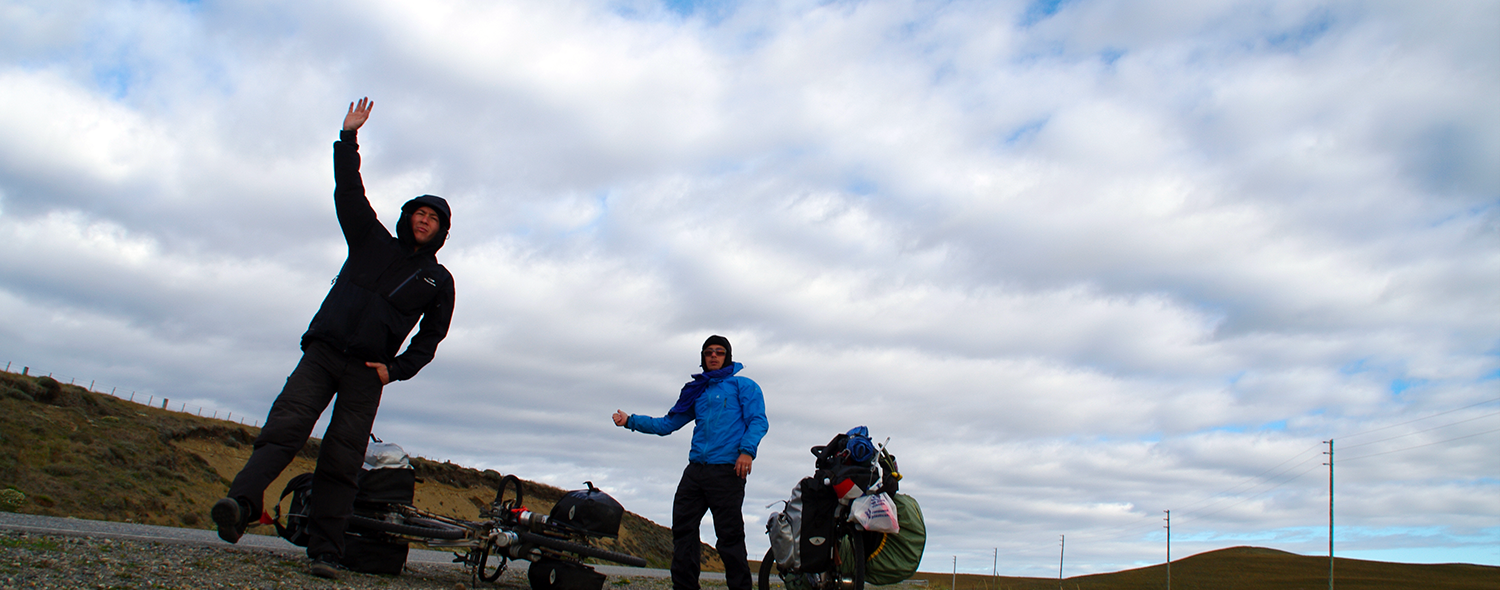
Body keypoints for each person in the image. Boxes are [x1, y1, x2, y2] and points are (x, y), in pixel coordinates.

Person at [211, 97, 456, 580]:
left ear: (441, 230)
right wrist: (349, 138)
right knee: (283, 430)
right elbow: (348, 190)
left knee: (342, 459)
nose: (424, 220)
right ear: (408, 217)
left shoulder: (439, 280)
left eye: (433, 217)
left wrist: (395, 370)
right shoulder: (370, 239)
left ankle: (325, 549)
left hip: (366, 373)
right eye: (419, 212)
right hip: (322, 354)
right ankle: (240, 506)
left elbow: (431, 338)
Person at [612, 335, 769, 590]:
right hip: (695, 471)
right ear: (703, 358)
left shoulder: (744, 386)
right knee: (683, 531)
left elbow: (758, 421)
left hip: (727, 470)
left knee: (729, 537)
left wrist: (747, 452)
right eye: (709, 352)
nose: (714, 356)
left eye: (719, 352)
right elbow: (667, 424)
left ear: (727, 356)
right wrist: (631, 421)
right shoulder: (697, 391)